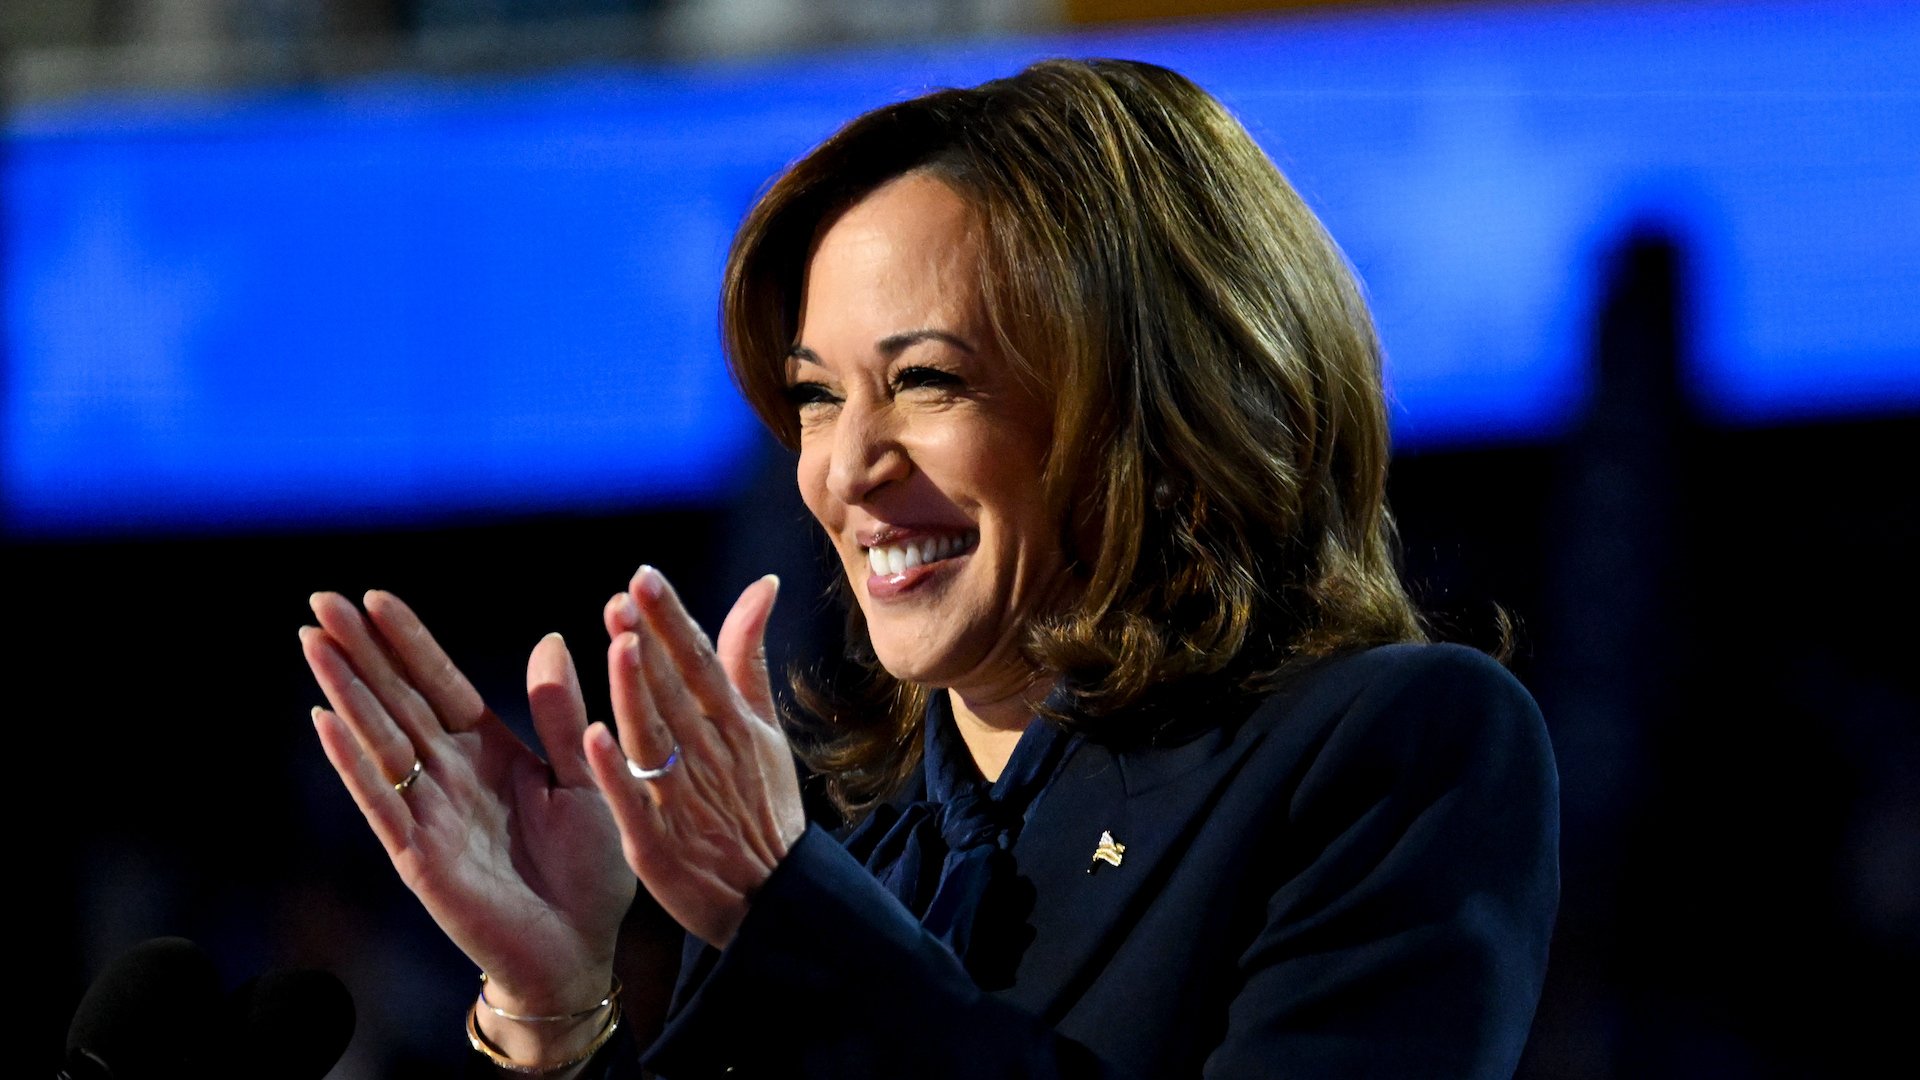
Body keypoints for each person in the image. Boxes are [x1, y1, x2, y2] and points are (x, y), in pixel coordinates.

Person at [299, 58, 1558, 1079]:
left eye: (925, 381)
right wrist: (556, 1011)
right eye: (814, 398)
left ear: (1152, 405)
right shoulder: (846, 855)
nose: (845, 470)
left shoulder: (1395, 746)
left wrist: (790, 917)